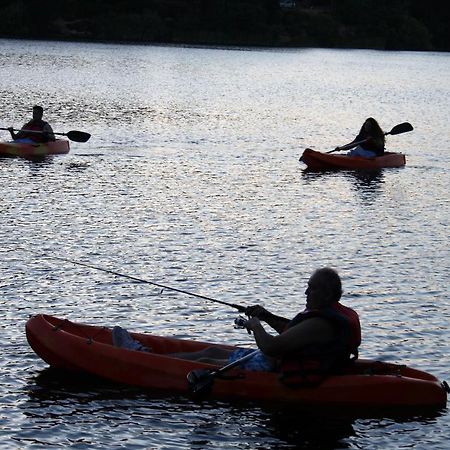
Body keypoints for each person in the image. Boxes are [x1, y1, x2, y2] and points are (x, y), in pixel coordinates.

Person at [113, 268, 361, 378]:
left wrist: (255, 326)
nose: (306, 292)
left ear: (328, 295)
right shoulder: (324, 317)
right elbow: (291, 334)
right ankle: (148, 355)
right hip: (277, 361)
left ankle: (143, 360)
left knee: (208, 362)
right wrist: (266, 315)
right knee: (212, 351)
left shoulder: (320, 324)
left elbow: (272, 347)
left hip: (272, 367)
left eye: (312, 288)